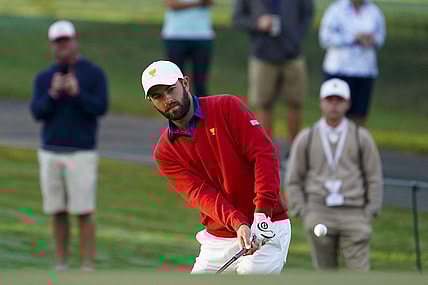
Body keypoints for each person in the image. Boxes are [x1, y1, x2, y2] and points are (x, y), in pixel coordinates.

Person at [141, 60, 290, 274]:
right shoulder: (165, 152)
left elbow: (264, 155)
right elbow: (201, 194)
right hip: (219, 236)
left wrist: (262, 213)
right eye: (158, 96)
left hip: (268, 224)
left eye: (171, 90)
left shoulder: (227, 107)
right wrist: (238, 223)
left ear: (185, 83)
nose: (168, 99)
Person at [30, 20, 108, 271]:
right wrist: (52, 94)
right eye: (58, 42)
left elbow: (100, 108)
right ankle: (61, 263)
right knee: (57, 210)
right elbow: (37, 112)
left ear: (75, 41)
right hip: (51, 150)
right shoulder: (44, 78)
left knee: (84, 210)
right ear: (52, 45)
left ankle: (87, 264)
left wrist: (78, 93)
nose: (63, 47)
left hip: (81, 151)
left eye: (66, 41)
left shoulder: (93, 74)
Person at [286, 78, 383, 271]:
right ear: (321, 102)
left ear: (347, 103)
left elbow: (374, 177)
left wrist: (370, 211)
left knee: (359, 274)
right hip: (319, 210)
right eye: (330, 100)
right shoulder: (307, 137)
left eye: (339, 100)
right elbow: (293, 179)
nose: (334, 105)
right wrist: (304, 212)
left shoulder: (361, 137)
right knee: (325, 273)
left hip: (354, 212)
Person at [232, 0, 314, 140]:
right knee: (264, 104)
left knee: (295, 102)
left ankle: (294, 152)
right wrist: (257, 23)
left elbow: (308, 13)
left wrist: (296, 36)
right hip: (262, 54)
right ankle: (267, 153)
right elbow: (237, 19)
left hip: (292, 53)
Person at [319, 0, 386, 126]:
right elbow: (325, 38)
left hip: (364, 71)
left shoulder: (374, 12)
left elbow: (381, 38)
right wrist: (354, 38)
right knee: (334, 112)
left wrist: (373, 40)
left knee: (359, 115)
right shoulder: (335, 10)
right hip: (339, 70)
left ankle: (356, 143)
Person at [161, 0, 215, 97]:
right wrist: (198, 4)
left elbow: (210, 2)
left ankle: (202, 109)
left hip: (202, 35)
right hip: (175, 35)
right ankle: (178, 108)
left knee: (200, 80)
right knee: (175, 79)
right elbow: (172, 4)